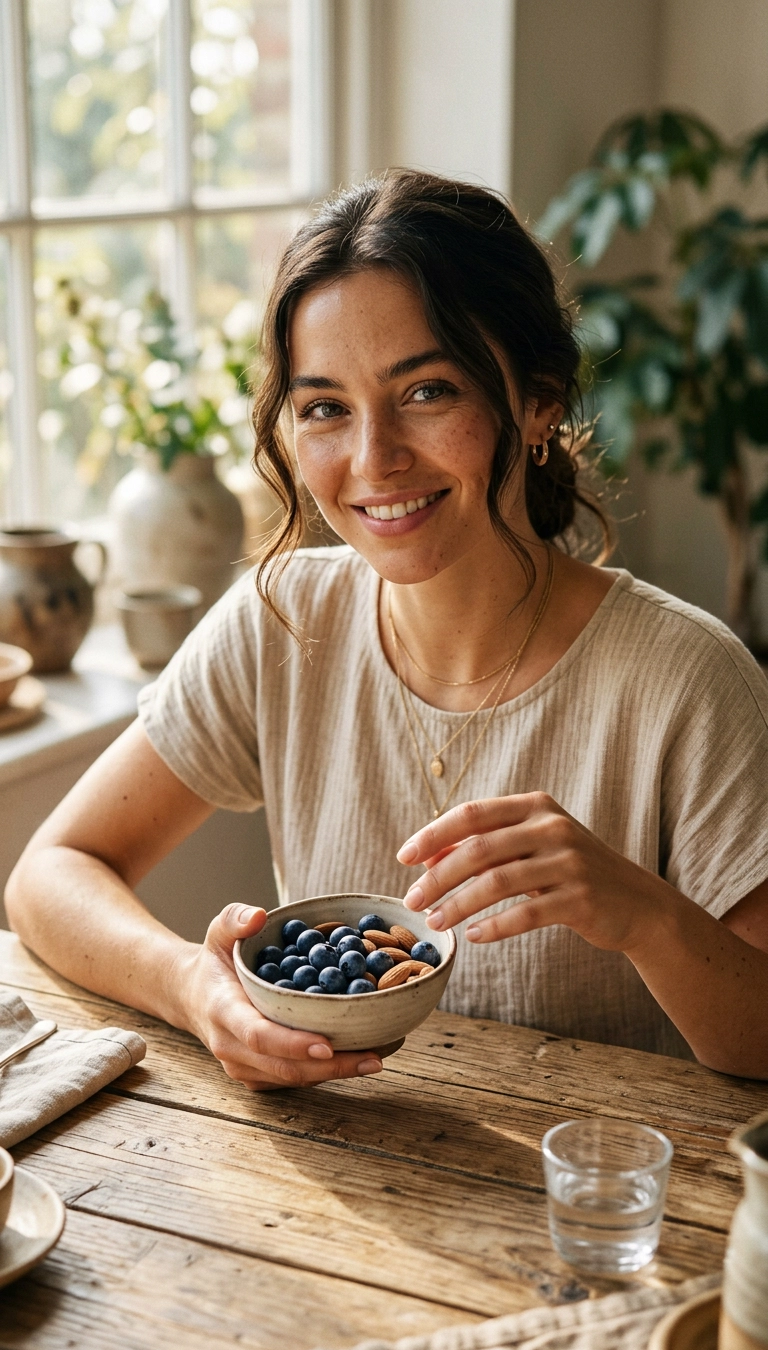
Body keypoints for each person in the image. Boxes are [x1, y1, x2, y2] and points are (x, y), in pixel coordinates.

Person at [6, 171, 768, 1088]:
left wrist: (645, 914)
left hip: (592, 1203)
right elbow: (50, 874)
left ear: (538, 401)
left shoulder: (690, 678)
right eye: (326, 407)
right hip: (332, 1196)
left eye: (428, 391)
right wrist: (197, 991)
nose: (374, 460)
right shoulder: (279, 619)